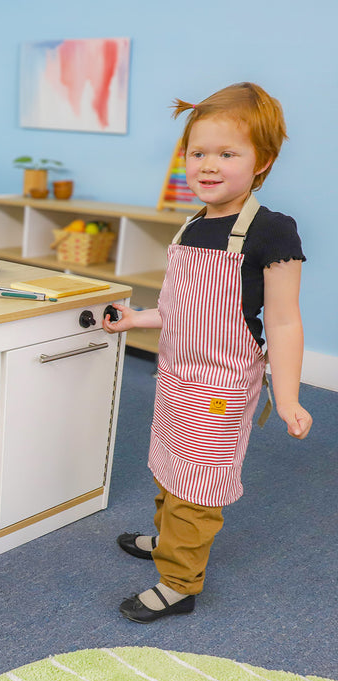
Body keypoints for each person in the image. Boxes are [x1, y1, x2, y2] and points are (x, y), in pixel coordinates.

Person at [103, 82, 312, 623]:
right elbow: (177, 307)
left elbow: (284, 321)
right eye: (198, 152)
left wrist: (287, 397)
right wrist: (136, 319)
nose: (208, 165)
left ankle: (179, 580)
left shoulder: (271, 231)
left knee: (200, 480)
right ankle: (168, 537)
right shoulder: (193, 224)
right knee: (171, 463)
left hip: (219, 387)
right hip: (177, 376)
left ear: (261, 161)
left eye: (227, 153)